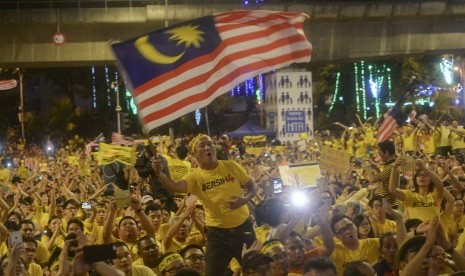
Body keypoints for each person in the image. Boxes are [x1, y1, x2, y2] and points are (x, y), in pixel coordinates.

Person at [152, 134, 258, 276]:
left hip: (244, 229)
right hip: (218, 236)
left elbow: (253, 186)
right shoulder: (195, 177)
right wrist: (159, 173)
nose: (207, 147)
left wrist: (243, 200)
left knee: (257, 270)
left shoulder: (231, 166)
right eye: (202, 146)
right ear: (194, 154)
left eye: (210, 144)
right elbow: (175, 186)